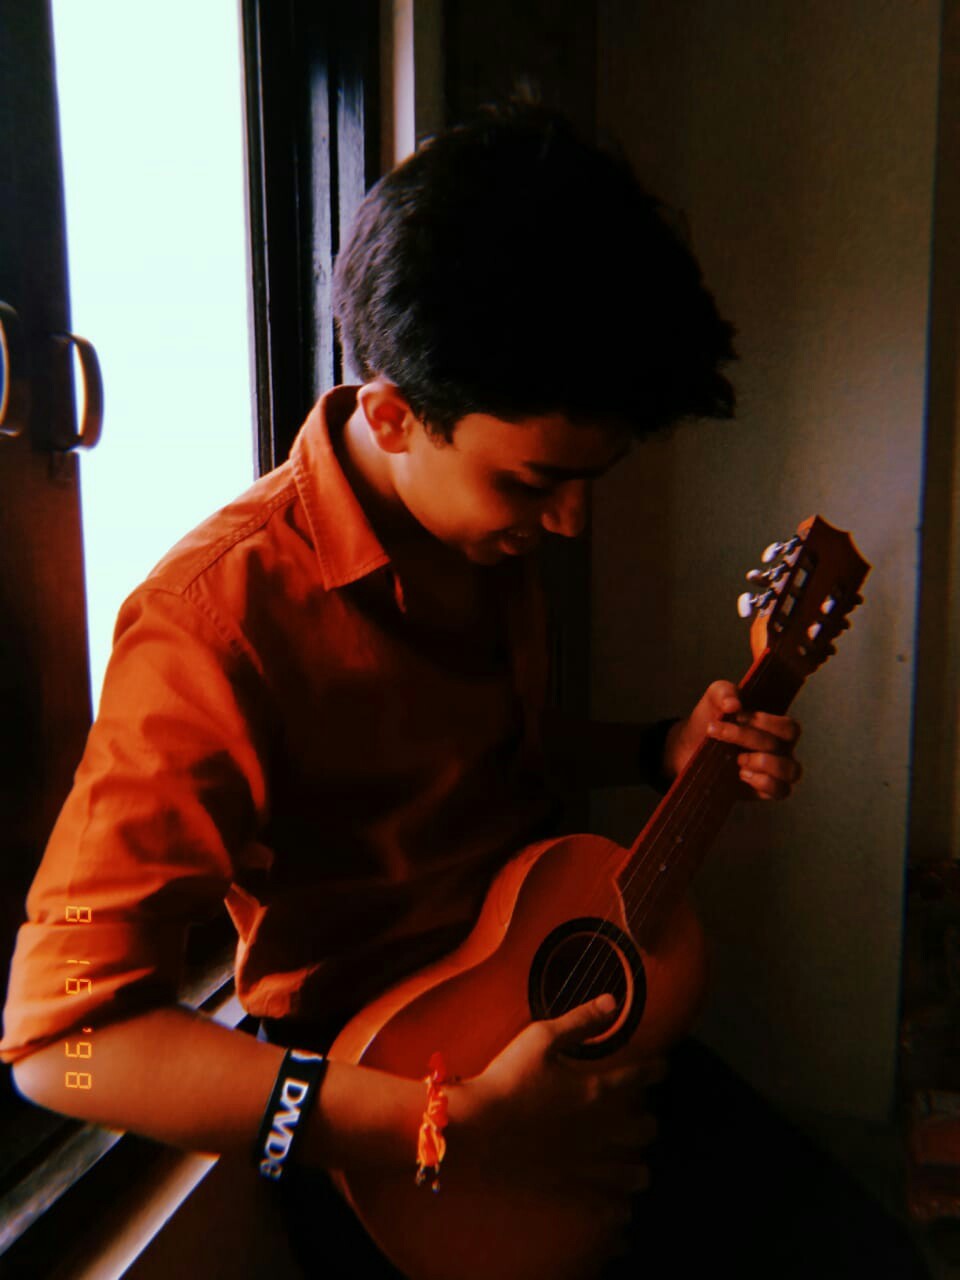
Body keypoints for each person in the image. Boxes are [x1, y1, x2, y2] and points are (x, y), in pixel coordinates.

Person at [0, 105, 924, 1278]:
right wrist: (447, 1118)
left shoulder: (478, 534)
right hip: (384, 1115)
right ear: (393, 413)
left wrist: (657, 746)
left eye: (592, 479)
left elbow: (473, 757)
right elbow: (63, 1050)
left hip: (549, 1014)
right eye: (536, 482)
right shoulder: (212, 625)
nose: (570, 522)